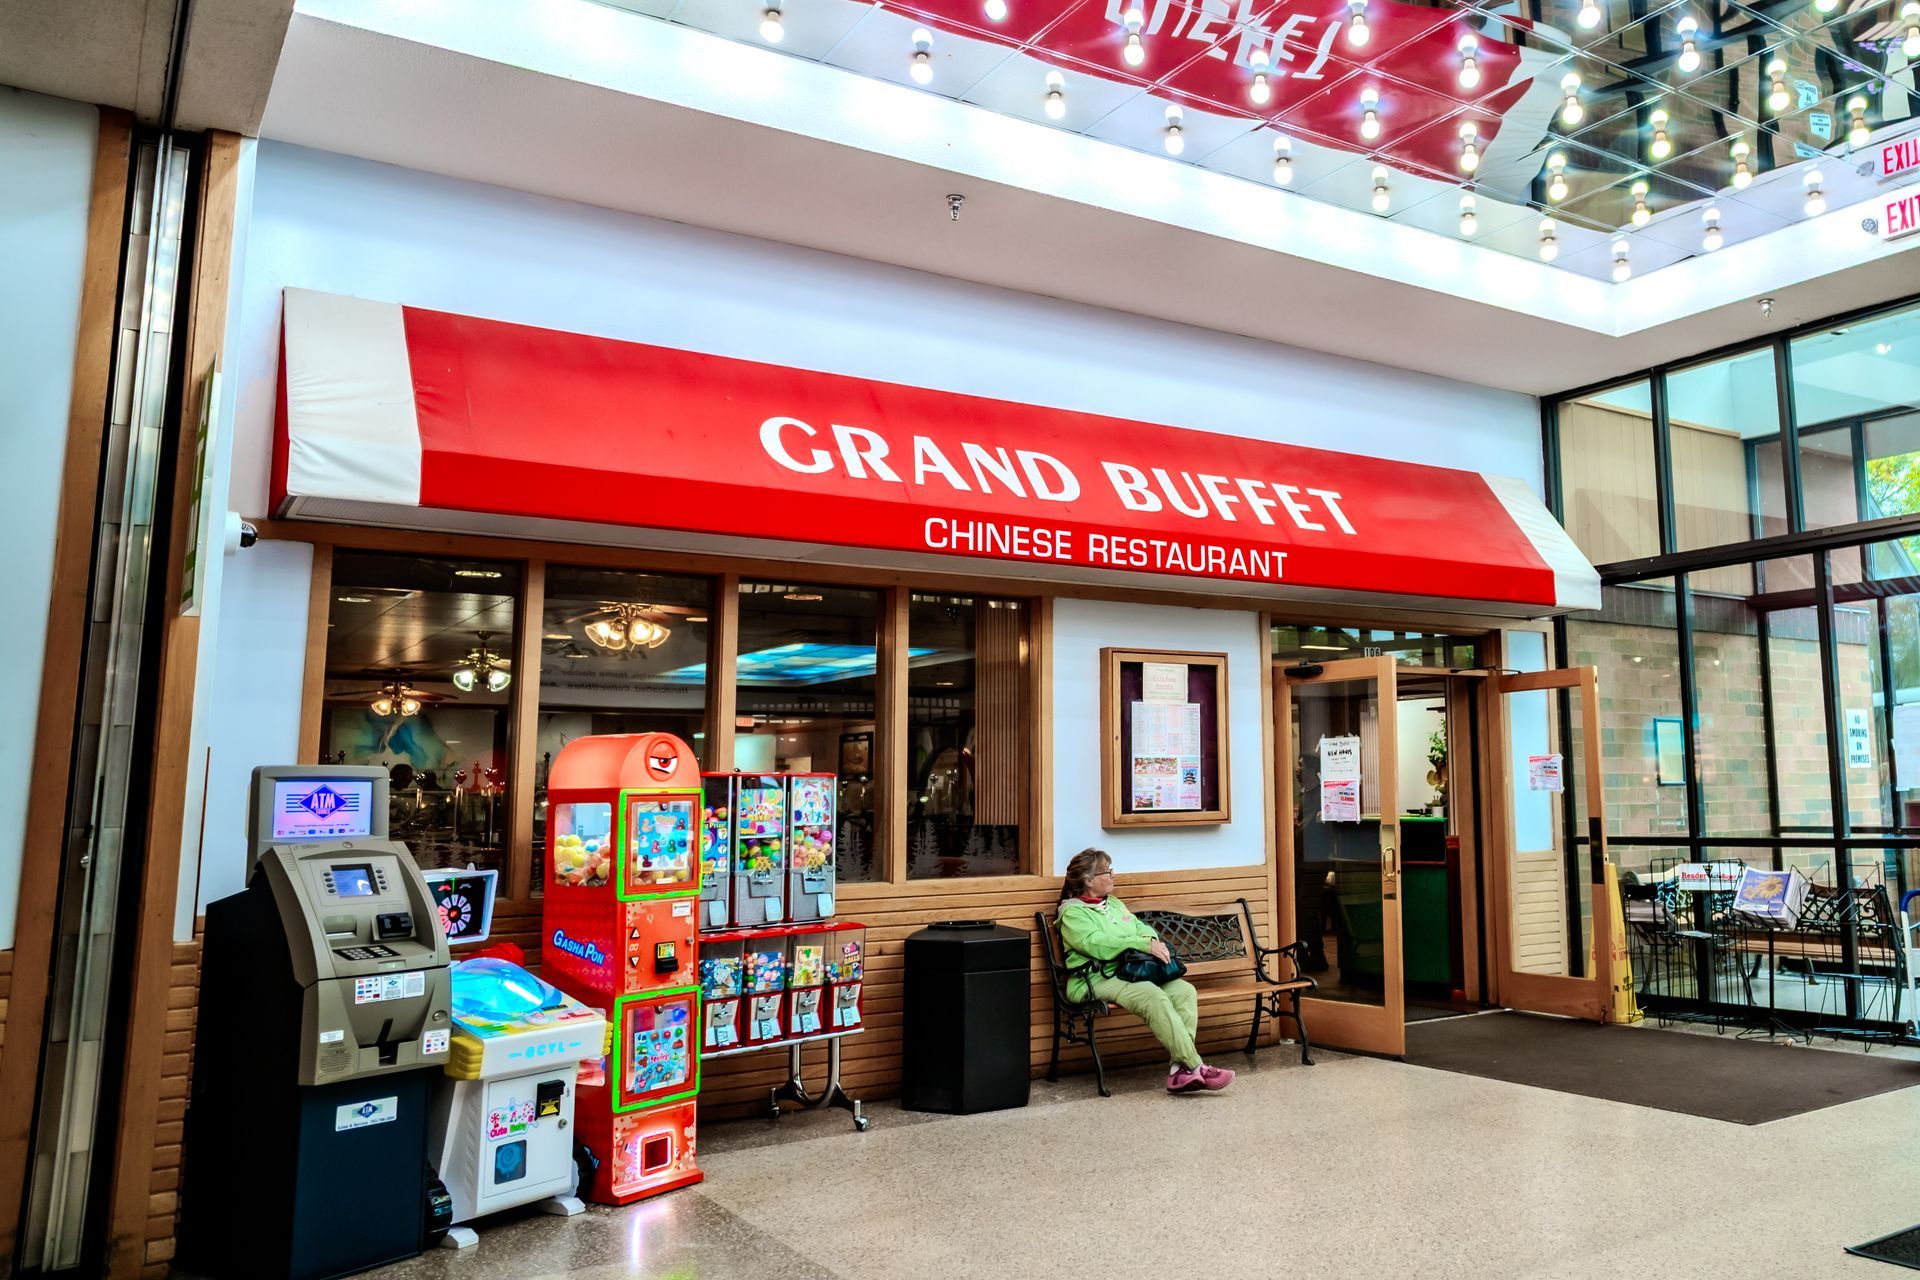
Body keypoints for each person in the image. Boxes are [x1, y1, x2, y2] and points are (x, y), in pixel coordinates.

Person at [1057, 848, 1233, 1093]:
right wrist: (1138, 943)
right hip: (1092, 979)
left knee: (1184, 991)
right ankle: (1196, 1066)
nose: (1113, 875)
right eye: (1108, 871)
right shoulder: (1072, 913)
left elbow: (1142, 928)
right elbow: (1097, 944)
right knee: (1152, 995)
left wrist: (1151, 941)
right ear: (1089, 880)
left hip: (1131, 972)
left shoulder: (1114, 904)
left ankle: (1178, 1072)